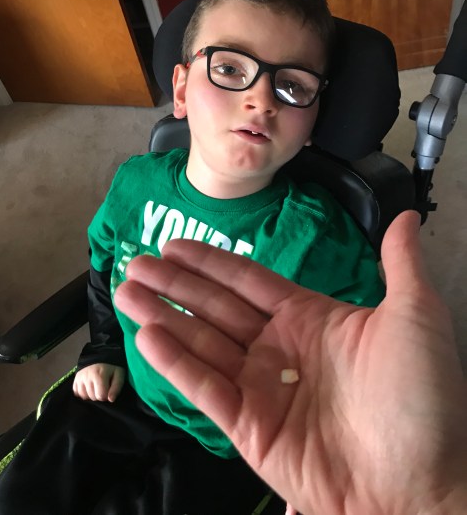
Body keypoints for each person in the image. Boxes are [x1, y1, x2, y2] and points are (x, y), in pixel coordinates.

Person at [0, 0, 384, 515]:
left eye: (293, 85)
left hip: (232, 439)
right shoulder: (135, 183)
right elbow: (104, 262)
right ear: (180, 88)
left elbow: (359, 357)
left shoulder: (319, 240)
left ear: (314, 118)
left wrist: (332, 442)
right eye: (229, 68)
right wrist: (104, 347)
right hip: (124, 389)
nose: (262, 99)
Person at [114, 210, 467, 515]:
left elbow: (363, 314)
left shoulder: (320, 229)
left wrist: (425, 496)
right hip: (138, 399)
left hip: (223, 450)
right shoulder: (142, 179)